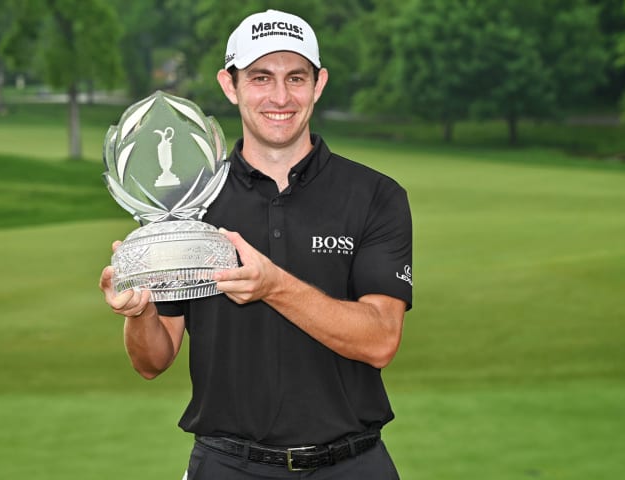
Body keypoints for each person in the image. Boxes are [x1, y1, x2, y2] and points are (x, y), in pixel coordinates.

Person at [99, 9, 413, 479]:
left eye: (296, 77)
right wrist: (139, 312)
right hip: (228, 464)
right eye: (261, 77)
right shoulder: (187, 203)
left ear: (319, 83)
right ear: (230, 85)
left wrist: (272, 285)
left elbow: (380, 341)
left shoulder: (374, 195)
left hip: (352, 464)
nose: (280, 97)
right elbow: (153, 360)